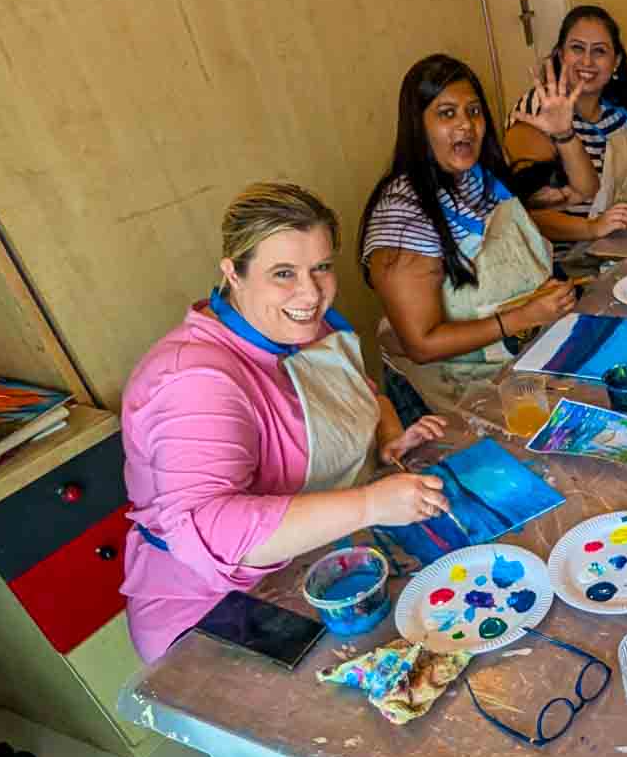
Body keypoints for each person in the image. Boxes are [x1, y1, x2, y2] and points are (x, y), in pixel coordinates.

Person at [122, 183, 448, 661]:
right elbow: (212, 529)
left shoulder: (309, 325)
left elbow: (359, 394)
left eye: (321, 268)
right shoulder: (195, 380)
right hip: (217, 611)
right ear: (233, 273)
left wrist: (388, 436)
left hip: (314, 563)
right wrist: (370, 504)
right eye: (283, 273)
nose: (310, 293)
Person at [359, 54, 578, 422]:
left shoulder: (480, 179)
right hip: (451, 395)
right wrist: (521, 318)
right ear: (418, 125)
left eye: (474, 111)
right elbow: (421, 344)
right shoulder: (402, 214)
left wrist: (564, 134)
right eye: (447, 114)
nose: (466, 125)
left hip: (519, 364)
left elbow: (582, 190)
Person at [503, 5, 627, 245]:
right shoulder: (538, 110)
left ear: (616, 62)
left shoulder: (617, 112)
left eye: (599, 51)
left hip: (612, 244)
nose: (587, 61)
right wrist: (591, 228)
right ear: (561, 55)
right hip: (562, 256)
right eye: (577, 48)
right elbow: (529, 212)